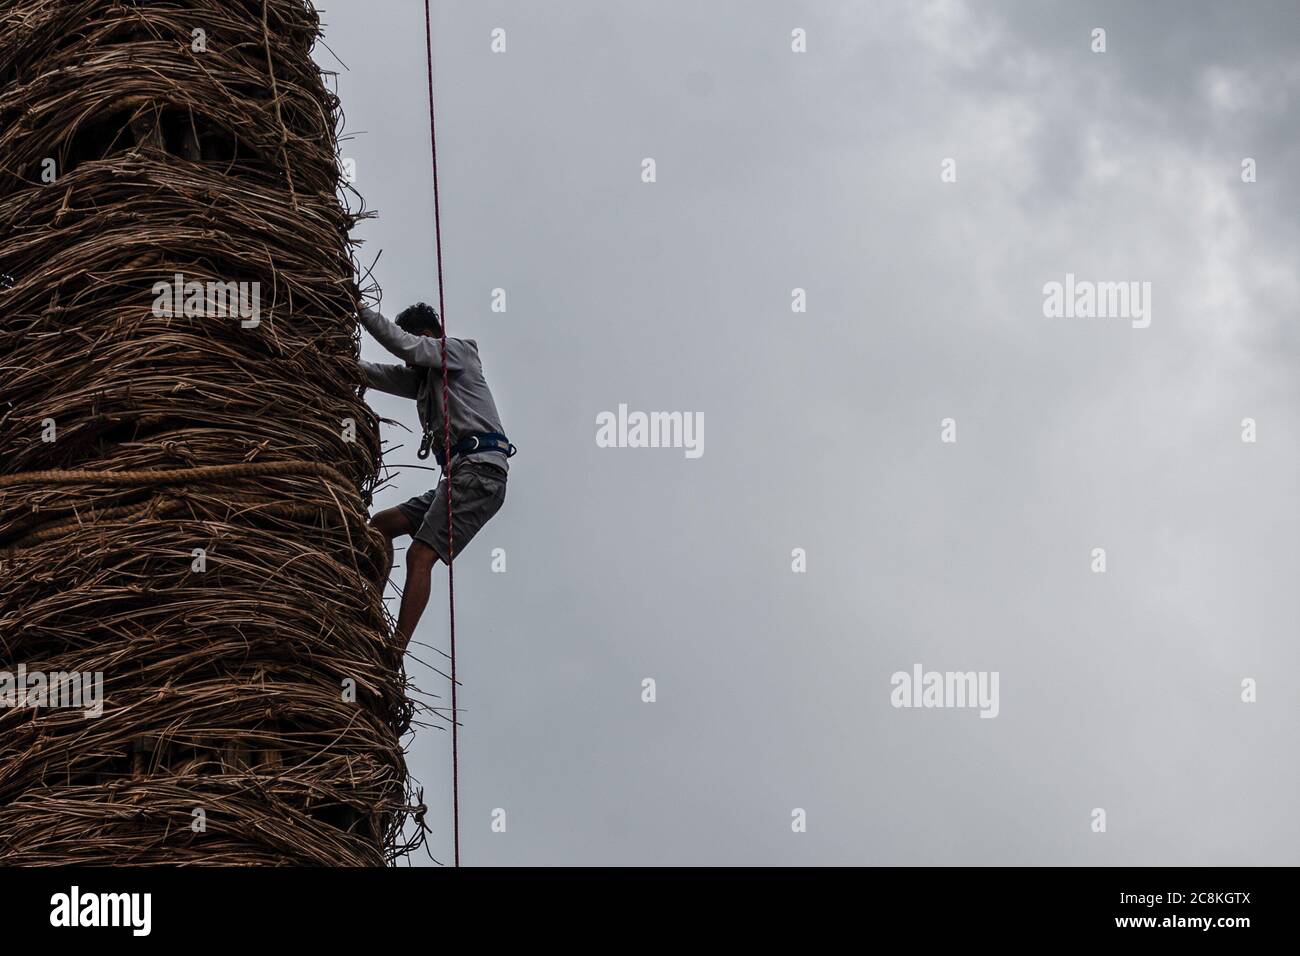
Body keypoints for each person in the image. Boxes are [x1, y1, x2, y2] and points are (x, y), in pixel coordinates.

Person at [357, 302, 513, 650]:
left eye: (420, 346)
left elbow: (403, 345)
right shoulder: (427, 380)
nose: (412, 363)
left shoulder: (457, 352)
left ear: (431, 336)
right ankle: (368, 614)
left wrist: (359, 309)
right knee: (382, 524)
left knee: (420, 555)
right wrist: (342, 365)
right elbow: (380, 373)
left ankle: (394, 649)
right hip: (463, 476)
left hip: (480, 473)